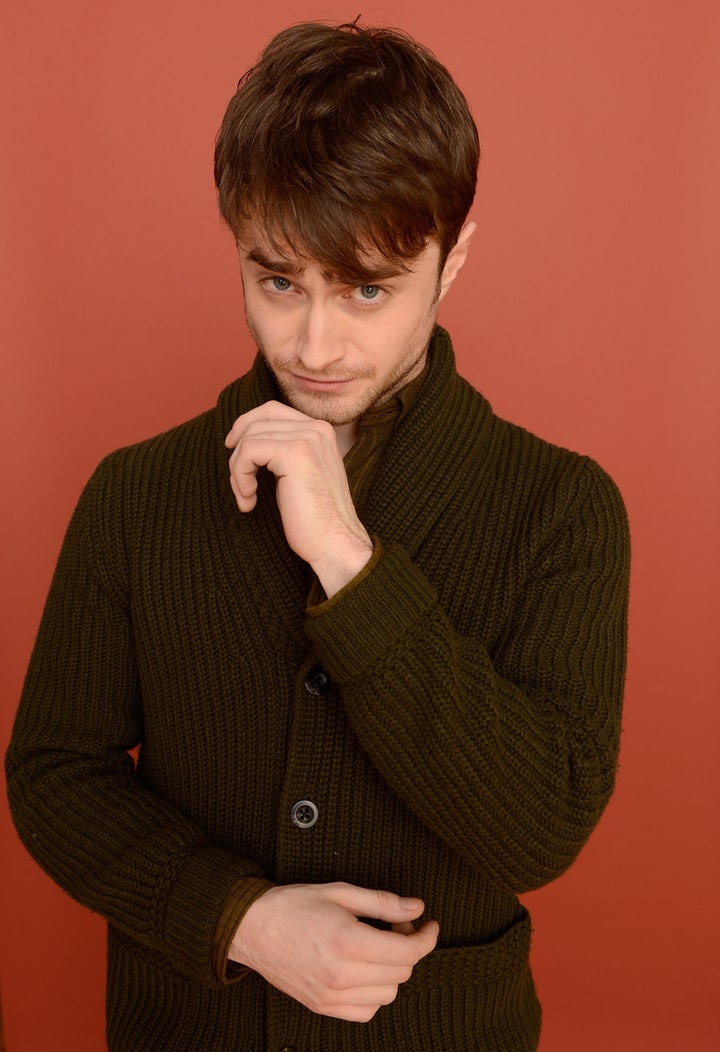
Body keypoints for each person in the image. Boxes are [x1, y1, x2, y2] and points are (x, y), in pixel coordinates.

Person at [6, 20, 630, 1052]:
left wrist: (353, 562)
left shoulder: (561, 507)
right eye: (277, 280)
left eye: (368, 288)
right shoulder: (136, 493)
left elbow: (539, 826)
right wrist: (238, 919)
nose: (313, 343)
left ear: (453, 256)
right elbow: (53, 772)